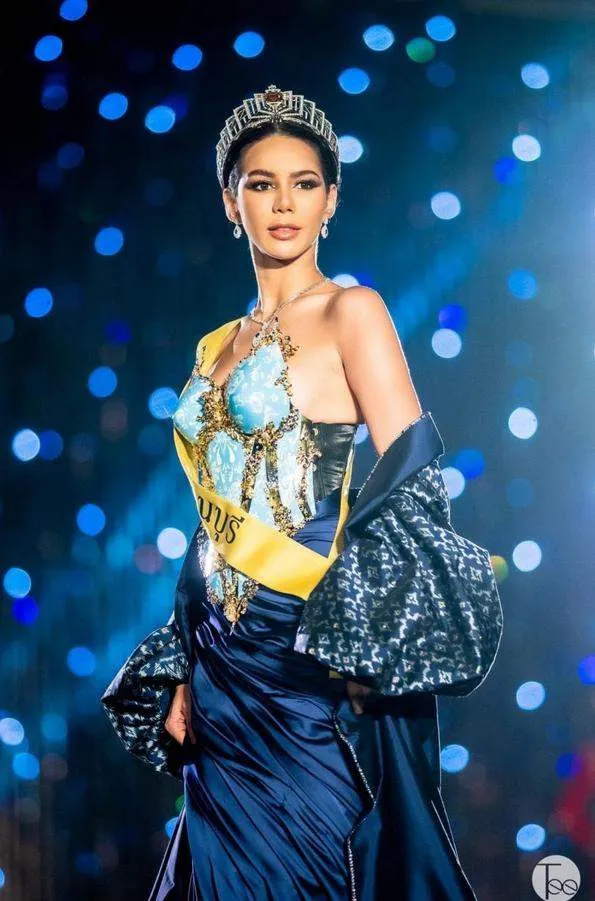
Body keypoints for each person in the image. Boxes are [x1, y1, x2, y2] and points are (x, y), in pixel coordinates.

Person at [101, 84, 504, 901]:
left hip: (305, 653)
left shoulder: (353, 311)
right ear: (231, 201)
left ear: (330, 200)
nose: (283, 202)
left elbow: (410, 478)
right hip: (219, 670)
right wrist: (181, 660)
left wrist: (371, 639)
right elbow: (211, 520)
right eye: (261, 183)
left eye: (304, 182)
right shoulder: (214, 345)